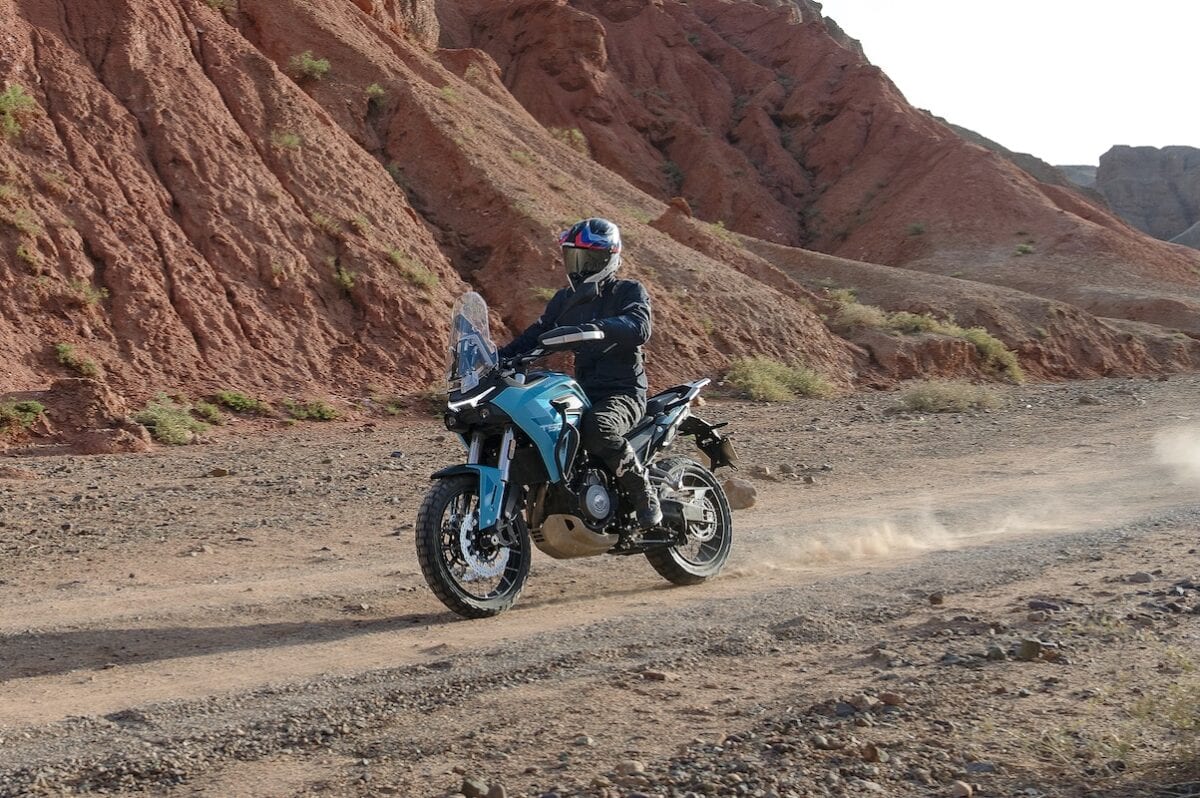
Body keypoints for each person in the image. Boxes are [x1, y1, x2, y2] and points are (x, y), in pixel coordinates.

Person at [499, 217, 662, 528]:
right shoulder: (565, 300)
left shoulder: (628, 291)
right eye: (574, 258)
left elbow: (639, 326)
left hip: (623, 392)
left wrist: (598, 329)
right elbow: (537, 334)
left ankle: (645, 494)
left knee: (598, 427)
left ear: (608, 258)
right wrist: (497, 358)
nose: (579, 267)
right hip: (583, 393)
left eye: (588, 259)